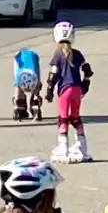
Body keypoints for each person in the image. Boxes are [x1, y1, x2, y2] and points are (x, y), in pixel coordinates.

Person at [44, 21, 94, 164]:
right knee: (76, 118)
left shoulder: (58, 54)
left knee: (63, 118)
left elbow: (53, 74)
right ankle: (82, 149)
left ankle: (63, 148)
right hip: (77, 89)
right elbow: (88, 71)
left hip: (65, 90)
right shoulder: (77, 54)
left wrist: (49, 90)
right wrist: (85, 84)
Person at [10, 44, 43, 123]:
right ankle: (34, 105)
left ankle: (20, 106)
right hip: (32, 75)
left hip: (22, 76)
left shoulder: (18, 59)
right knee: (35, 89)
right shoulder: (32, 57)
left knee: (19, 89)